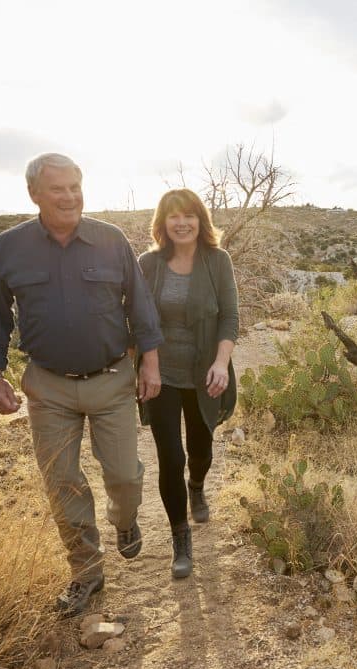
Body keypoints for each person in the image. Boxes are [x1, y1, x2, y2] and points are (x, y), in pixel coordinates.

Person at [0, 153, 163, 616]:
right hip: (49, 387)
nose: (69, 196)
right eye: (57, 188)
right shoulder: (8, 249)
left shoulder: (110, 239)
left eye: (75, 186)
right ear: (34, 194)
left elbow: (140, 307)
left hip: (111, 379)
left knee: (123, 475)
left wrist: (150, 365)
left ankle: (124, 521)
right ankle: (86, 572)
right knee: (62, 481)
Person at [138, 188, 239, 579]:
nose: (181, 223)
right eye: (173, 216)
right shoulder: (149, 263)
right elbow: (138, 318)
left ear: (201, 220)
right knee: (170, 457)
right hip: (159, 375)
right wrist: (142, 367)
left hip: (204, 375)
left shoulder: (217, 261)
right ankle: (180, 537)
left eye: (189, 216)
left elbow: (230, 316)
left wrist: (220, 362)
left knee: (200, 450)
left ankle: (197, 486)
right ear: (162, 223)